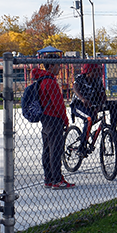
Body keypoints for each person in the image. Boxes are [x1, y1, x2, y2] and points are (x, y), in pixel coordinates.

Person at [33, 49, 75, 189]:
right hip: (54, 118)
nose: (60, 67)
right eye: (58, 65)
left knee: (47, 149)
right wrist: (65, 120)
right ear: (51, 66)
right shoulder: (50, 82)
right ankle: (57, 179)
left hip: (45, 118)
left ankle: (49, 178)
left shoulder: (41, 80)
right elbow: (58, 104)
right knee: (56, 150)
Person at [72, 63, 117, 139]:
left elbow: (102, 94)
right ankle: (82, 146)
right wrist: (83, 99)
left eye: (98, 70)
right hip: (78, 105)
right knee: (89, 118)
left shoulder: (97, 79)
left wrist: (102, 104)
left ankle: (113, 132)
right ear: (88, 71)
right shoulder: (81, 78)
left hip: (93, 104)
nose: (97, 73)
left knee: (113, 105)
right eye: (94, 71)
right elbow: (75, 88)